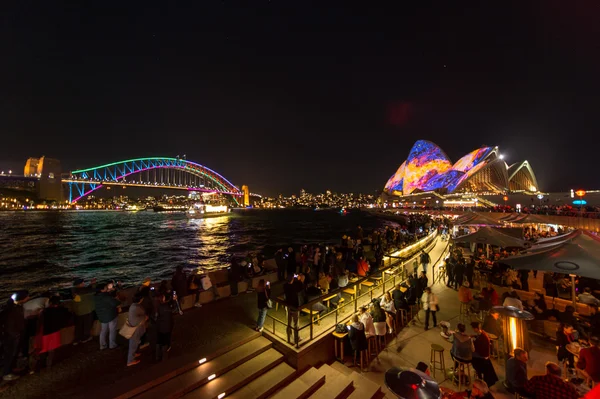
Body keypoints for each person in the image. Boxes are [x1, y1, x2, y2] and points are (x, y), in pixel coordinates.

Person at [0, 290, 28, 381]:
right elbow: (10, 325)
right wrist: (15, 335)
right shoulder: (13, 310)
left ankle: (12, 368)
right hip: (11, 336)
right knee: (9, 354)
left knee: (13, 353)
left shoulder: (16, 307)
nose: (28, 298)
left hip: (15, 334)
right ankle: (7, 374)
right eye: (27, 296)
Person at [36, 295, 70, 369]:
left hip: (45, 333)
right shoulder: (62, 310)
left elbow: (40, 323)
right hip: (55, 332)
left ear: (50, 302)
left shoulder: (45, 312)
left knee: (43, 349)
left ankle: (41, 365)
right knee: (51, 349)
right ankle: (49, 365)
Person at [94, 283, 122, 350]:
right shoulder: (106, 297)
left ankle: (102, 345)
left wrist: (110, 291)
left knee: (103, 331)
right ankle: (112, 345)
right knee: (112, 330)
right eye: (105, 287)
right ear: (102, 290)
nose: (107, 288)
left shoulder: (96, 296)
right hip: (111, 316)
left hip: (102, 316)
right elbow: (116, 303)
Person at [471, 322, 498, 388]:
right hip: (484, 356)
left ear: (476, 329)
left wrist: (472, 342)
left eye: (473, 328)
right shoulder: (483, 333)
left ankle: (479, 374)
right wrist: (474, 336)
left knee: (470, 356)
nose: (473, 330)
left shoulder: (481, 338)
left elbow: (476, 348)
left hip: (481, 357)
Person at [71, 278, 96, 345]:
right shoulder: (81, 291)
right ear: (79, 284)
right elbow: (92, 291)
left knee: (79, 326)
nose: (83, 284)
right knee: (87, 325)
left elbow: (86, 291)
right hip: (86, 310)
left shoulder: (74, 290)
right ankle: (85, 338)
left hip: (78, 311)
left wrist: (91, 284)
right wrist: (93, 284)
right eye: (82, 283)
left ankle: (77, 339)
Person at [127, 293, 148, 366]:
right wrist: (145, 318)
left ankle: (133, 354)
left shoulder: (133, 306)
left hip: (134, 327)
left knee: (134, 343)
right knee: (133, 343)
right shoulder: (137, 307)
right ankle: (130, 361)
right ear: (140, 300)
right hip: (136, 328)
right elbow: (142, 316)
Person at [283, 275, 303, 345]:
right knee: (296, 323)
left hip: (288, 306)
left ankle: (288, 337)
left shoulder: (285, 286)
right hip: (294, 306)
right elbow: (300, 288)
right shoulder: (294, 287)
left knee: (289, 323)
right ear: (292, 280)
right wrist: (299, 280)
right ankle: (296, 339)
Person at [155, 293, 174, 361]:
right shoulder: (167, 307)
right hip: (166, 328)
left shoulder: (158, 306)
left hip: (159, 327)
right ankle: (164, 357)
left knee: (159, 341)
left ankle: (157, 356)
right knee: (165, 342)